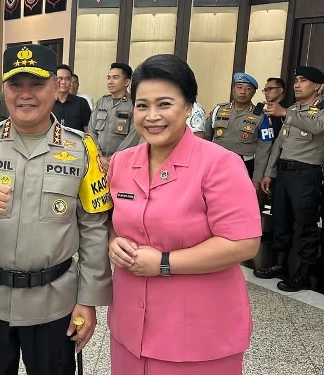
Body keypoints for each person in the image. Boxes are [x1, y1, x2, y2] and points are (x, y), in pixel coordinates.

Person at [0, 43, 113, 375]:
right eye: (16, 84)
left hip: (55, 304)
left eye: (36, 84)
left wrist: (88, 300)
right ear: (4, 88)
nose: (26, 94)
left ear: (55, 85)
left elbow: (93, 228)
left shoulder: (81, 149)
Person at [108, 54, 261, 375]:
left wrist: (163, 263)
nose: (152, 116)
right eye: (142, 105)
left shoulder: (220, 163)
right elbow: (116, 223)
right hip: (130, 327)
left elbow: (243, 243)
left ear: (189, 107)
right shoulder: (122, 162)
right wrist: (114, 243)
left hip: (199, 336)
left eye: (165, 104)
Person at [256, 66, 324, 292]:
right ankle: (279, 264)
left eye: (303, 80)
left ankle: (303, 273)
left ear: (317, 86)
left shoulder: (319, 109)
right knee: (280, 221)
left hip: (306, 174)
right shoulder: (293, 108)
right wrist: (269, 172)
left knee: (305, 225)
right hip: (284, 173)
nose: (297, 84)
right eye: (296, 80)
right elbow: (279, 144)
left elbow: (316, 127)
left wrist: (286, 114)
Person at [205, 73, 274, 190]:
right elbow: (205, 139)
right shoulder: (219, 110)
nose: (243, 92)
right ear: (233, 89)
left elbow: (264, 151)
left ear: (253, 93)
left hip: (244, 165)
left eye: (248, 89)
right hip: (215, 163)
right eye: (239, 87)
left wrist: (256, 180)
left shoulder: (262, 117)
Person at [89, 62, 139, 172]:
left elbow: (133, 136)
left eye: (115, 78)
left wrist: (115, 159)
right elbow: (91, 131)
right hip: (99, 162)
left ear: (126, 82)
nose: (110, 82)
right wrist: (99, 156)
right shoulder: (101, 102)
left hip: (122, 163)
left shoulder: (133, 104)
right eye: (108, 78)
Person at [52, 64, 91, 133]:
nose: (64, 82)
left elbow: (88, 130)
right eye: (60, 79)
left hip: (76, 142)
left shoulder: (81, 103)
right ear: (54, 80)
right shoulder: (47, 102)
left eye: (67, 79)